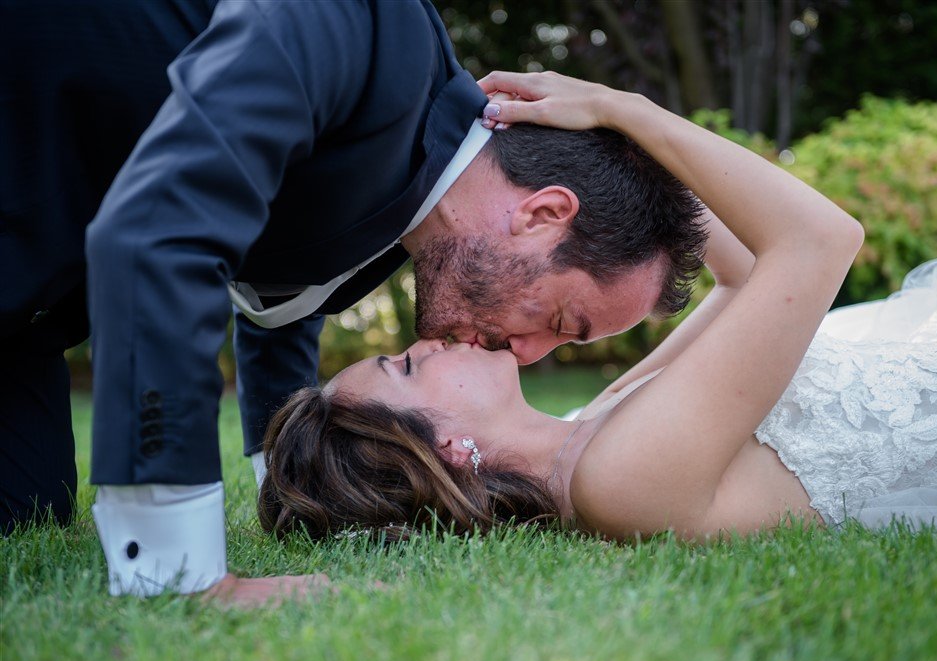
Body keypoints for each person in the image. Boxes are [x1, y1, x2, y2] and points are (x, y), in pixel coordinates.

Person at [1, 2, 705, 604]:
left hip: (29, 308)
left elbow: (281, 301)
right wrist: (174, 570)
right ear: (544, 214)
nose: (528, 356)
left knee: (31, 507)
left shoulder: (422, 221)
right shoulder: (358, 27)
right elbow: (162, 230)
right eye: (557, 324)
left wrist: (297, 472)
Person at [258, 72, 937, 544]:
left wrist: (608, 163)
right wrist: (628, 112)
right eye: (402, 367)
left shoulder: (596, 427)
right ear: (449, 451)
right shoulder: (616, 484)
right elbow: (817, 241)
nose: (422, 342)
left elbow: (737, 278)